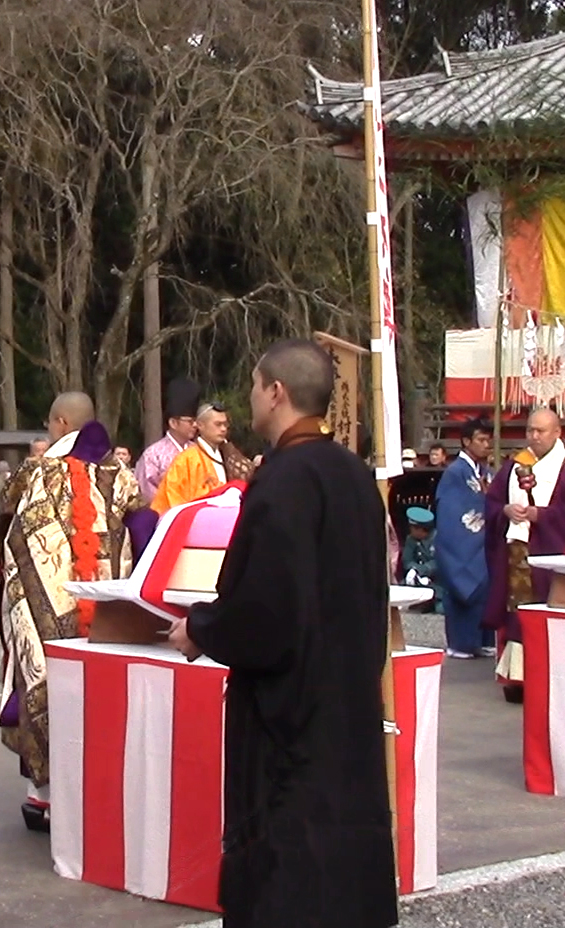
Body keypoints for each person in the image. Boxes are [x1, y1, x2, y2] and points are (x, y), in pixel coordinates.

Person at [169, 339, 397, 928]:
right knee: (346, 845)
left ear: (277, 392)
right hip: (347, 688)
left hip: (290, 707)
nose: (248, 400)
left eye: (252, 386)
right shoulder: (354, 476)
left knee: (290, 859)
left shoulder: (285, 480)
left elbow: (267, 609)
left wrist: (202, 627)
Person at [0, 391, 153, 830]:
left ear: (62, 424)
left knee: (41, 682)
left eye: (51, 425)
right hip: (105, 604)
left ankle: (43, 796)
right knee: (99, 686)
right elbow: (143, 528)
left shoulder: (38, 473)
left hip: (44, 602)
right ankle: (99, 787)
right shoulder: (121, 474)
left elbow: (9, 516)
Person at [483, 407, 565, 700]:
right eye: (530, 430)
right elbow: (492, 502)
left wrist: (543, 515)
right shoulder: (513, 465)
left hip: (552, 553)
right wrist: (506, 510)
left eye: (541, 431)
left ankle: (553, 675)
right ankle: (517, 677)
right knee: (517, 613)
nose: (534, 437)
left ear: (557, 432)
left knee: (550, 613)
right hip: (517, 550)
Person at [433, 418, 496, 660]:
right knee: (464, 585)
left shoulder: (485, 472)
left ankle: (484, 639)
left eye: (488, 440)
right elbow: (453, 512)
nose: (486, 444)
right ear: (466, 441)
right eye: (481, 440)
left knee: (488, 587)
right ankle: (462, 643)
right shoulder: (455, 473)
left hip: (483, 542)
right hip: (461, 543)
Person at [150, 402, 255, 513]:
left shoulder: (228, 454)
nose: (223, 429)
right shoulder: (185, 460)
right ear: (200, 425)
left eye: (225, 424)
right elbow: (173, 501)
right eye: (218, 424)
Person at [134, 376, 201, 505]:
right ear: (173, 423)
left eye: (196, 421)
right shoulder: (153, 455)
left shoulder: (199, 451)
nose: (195, 425)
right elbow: (146, 493)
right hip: (165, 517)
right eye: (190, 421)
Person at [401, 506, 436, 590]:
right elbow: (407, 560)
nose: (410, 530)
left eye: (413, 528)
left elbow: (440, 562)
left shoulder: (438, 539)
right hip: (415, 580)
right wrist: (414, 570)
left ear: (420, 529)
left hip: (436, 583)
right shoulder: (411, 539)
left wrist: (422, 570)